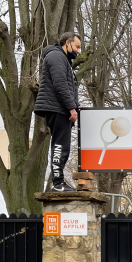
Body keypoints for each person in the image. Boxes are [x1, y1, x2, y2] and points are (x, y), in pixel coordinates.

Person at [34, 32, 82, 192]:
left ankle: (59, 182)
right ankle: (57, 184)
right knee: (60, 146)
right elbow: (60, 84)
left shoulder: (62, 59)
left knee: (63, 145)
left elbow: (66, 86)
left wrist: (75, 105)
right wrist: (71, 108)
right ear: (67, 43)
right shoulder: (56, 56)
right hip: (57, 109)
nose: (79, 51)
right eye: (77, 47)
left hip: (59, 108)